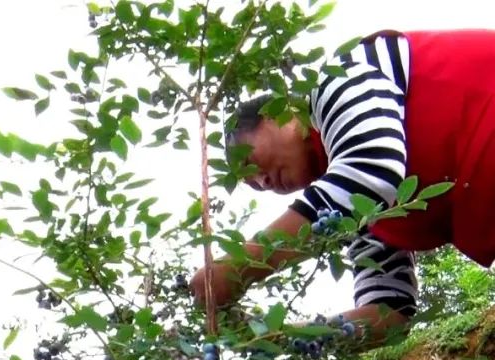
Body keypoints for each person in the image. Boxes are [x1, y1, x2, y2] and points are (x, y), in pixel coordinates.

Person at [191, 29, 495, 341]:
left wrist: (241, 265)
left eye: (250, 163)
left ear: (278, 113)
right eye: (255, 186)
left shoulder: (337, 80)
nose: (263, 181)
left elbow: (369, 169)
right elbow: (389, 313)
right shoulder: (361, 214)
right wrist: (273, 336)